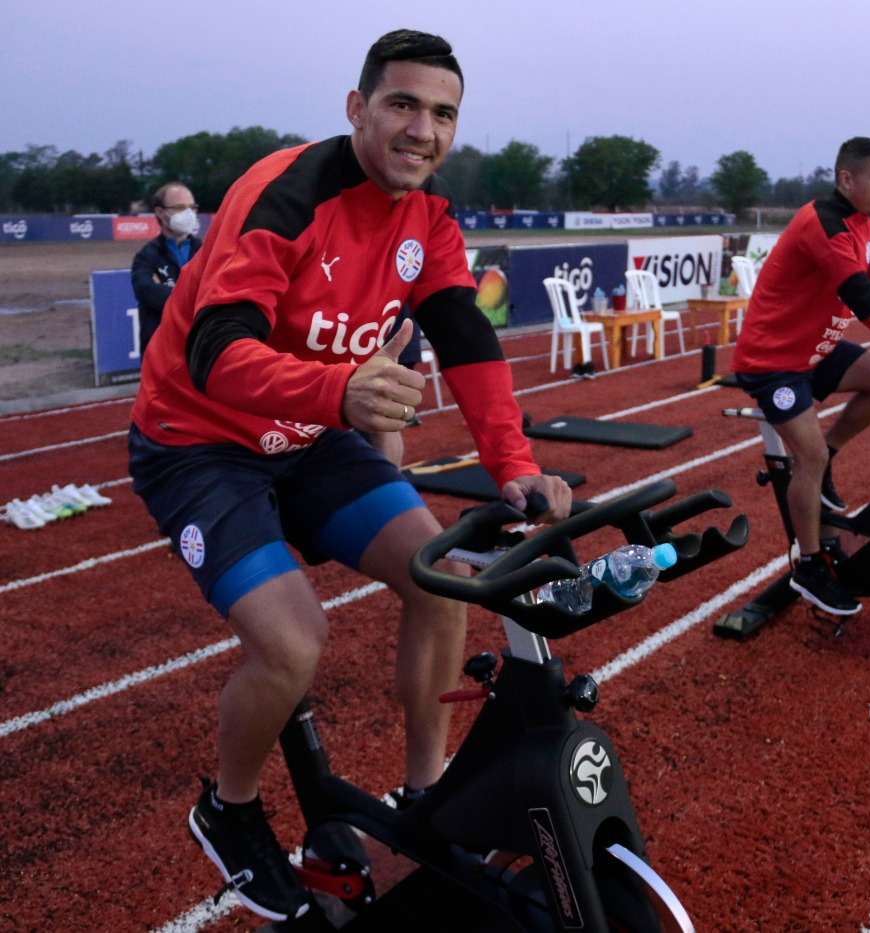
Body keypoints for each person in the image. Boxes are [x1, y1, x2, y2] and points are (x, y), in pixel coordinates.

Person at [127, 30, 572, 922]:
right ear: (356, 108)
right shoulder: (287, 193)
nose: (423, 129)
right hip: (199, 440)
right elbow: (215, 351)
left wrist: (513, 465)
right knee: (293, 642)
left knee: (443, 577)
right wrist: (338, 390)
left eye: (443, 113)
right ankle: (230, 807)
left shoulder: (431, 217)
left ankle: (425, 793)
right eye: (402, 105)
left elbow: (468, 337)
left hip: (314, 429)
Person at [732, 136, 870, 617]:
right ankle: (808, 567)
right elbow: (869, 304)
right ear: (846, 179)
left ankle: (829, 455)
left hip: (816, 350)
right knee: (804, 458)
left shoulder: (867, 225)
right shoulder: (824, 225)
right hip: (773, 361)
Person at [130, 182, 203, 354]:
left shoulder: (206, 252)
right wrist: (194, 296)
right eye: (179, 207)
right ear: (160, 213)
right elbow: (146, 291)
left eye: (192, 207)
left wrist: (169, 291)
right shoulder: (146, 256)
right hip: (161, 353)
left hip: (199, 350)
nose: (188, 213)